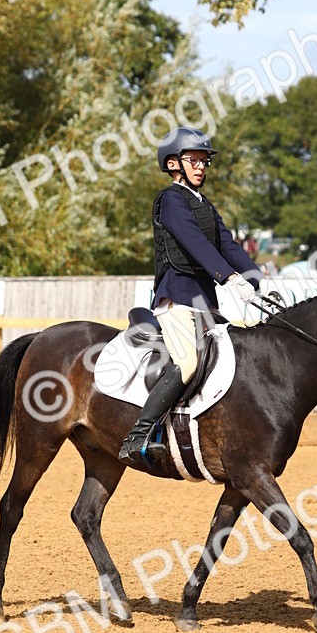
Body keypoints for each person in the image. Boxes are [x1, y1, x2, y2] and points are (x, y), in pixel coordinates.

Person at [118, 126, 266, 465]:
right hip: (176, 299)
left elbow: (225, 243)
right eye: (193, 160)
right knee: (187, 361)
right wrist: (228, 277)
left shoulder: (205, 205)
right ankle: (139, 435)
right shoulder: (170, 200)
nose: (200, 166)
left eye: (204, 161)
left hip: (205, 304)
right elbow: (193, 242)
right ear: (173, 164)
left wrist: (257, 278)